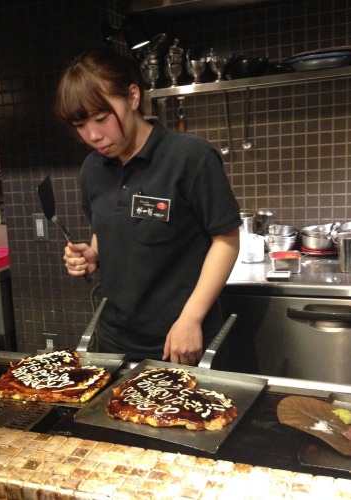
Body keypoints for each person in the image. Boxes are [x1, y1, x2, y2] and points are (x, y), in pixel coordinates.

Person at [54, 47, 241, 366]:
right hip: (113, 339)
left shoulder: (190, 158)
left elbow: (226, 241)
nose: (94, 136)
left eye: (101, 119)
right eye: (81, 126)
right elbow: (105, 229)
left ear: (133, 97)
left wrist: (191, 319)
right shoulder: (93, 169)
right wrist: (91, 255)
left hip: (179, 340)